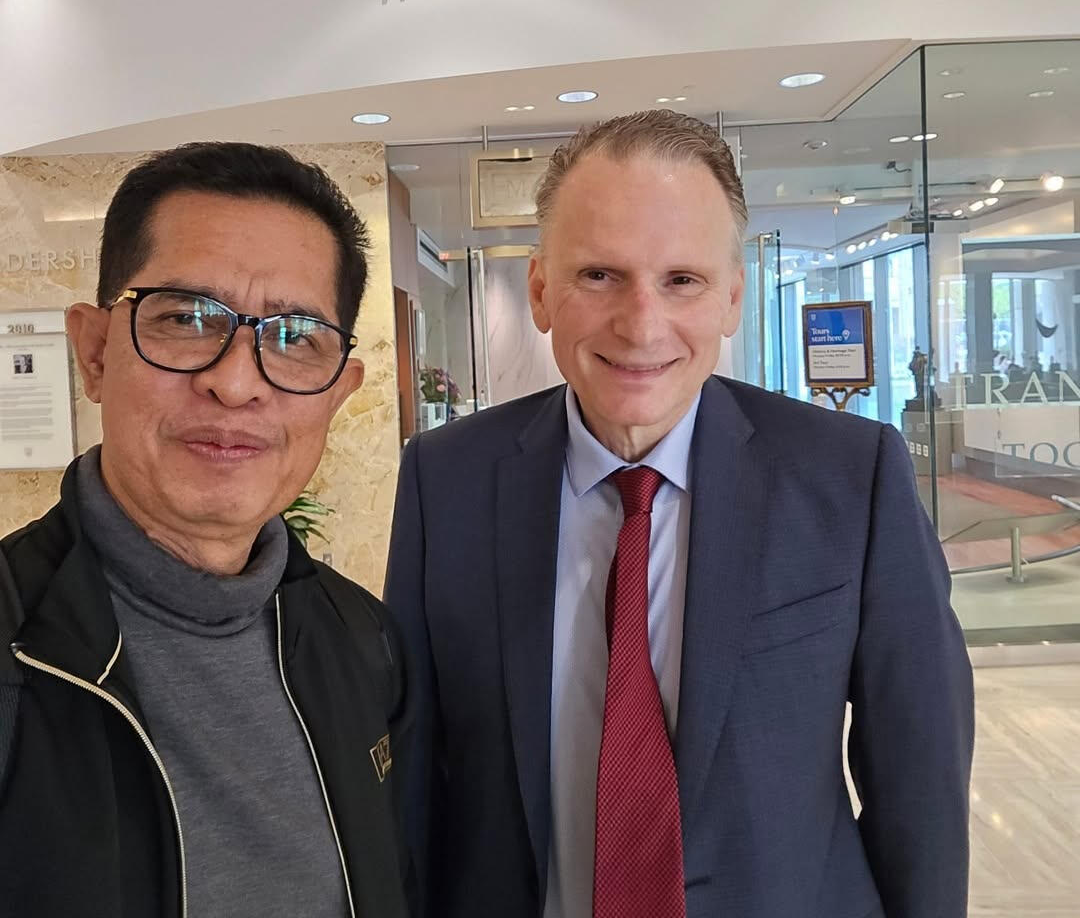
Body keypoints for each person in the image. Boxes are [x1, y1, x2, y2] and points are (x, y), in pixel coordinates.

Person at [384, 110, 974, 918]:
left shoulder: (850, 476)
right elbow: (416, 777)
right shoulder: (443, 479)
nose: (641, 325)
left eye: (682, 280)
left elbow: (921, 777)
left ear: (732, 297)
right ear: (541, 290)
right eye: (599, 275)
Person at [0, 143, 414, 918]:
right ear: (95, 352)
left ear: (338, 393)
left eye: (295, 336)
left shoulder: (364, 642)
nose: (235, 382)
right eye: (186, 318)